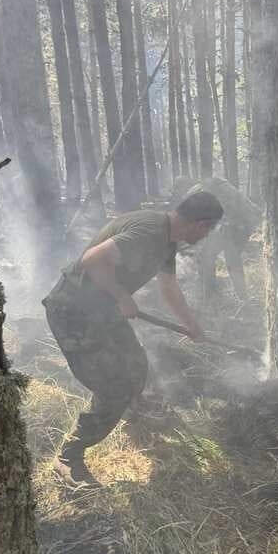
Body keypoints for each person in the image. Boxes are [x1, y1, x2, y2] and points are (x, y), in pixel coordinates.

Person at [43, 191, 224, 486]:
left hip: (102, 309)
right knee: (114, 388)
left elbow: (169, 288)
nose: (207, 236)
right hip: (74, 312)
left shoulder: (167, 240)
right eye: (209, 230)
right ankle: (68, 456)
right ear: (201, 224)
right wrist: (121, 295)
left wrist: (193, 327)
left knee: (137, 365)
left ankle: (133, 417)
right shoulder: (149, 232)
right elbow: (92, 259)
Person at [170, 176, 260, 301]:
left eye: (178, 191)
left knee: (210, 255)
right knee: (229, 257)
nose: (179, 194)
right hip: (247, 219)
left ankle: (212, 297)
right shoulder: (208, 185)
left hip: (235, 223)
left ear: (182, 187)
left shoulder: (195, 192)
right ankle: (239, 297)